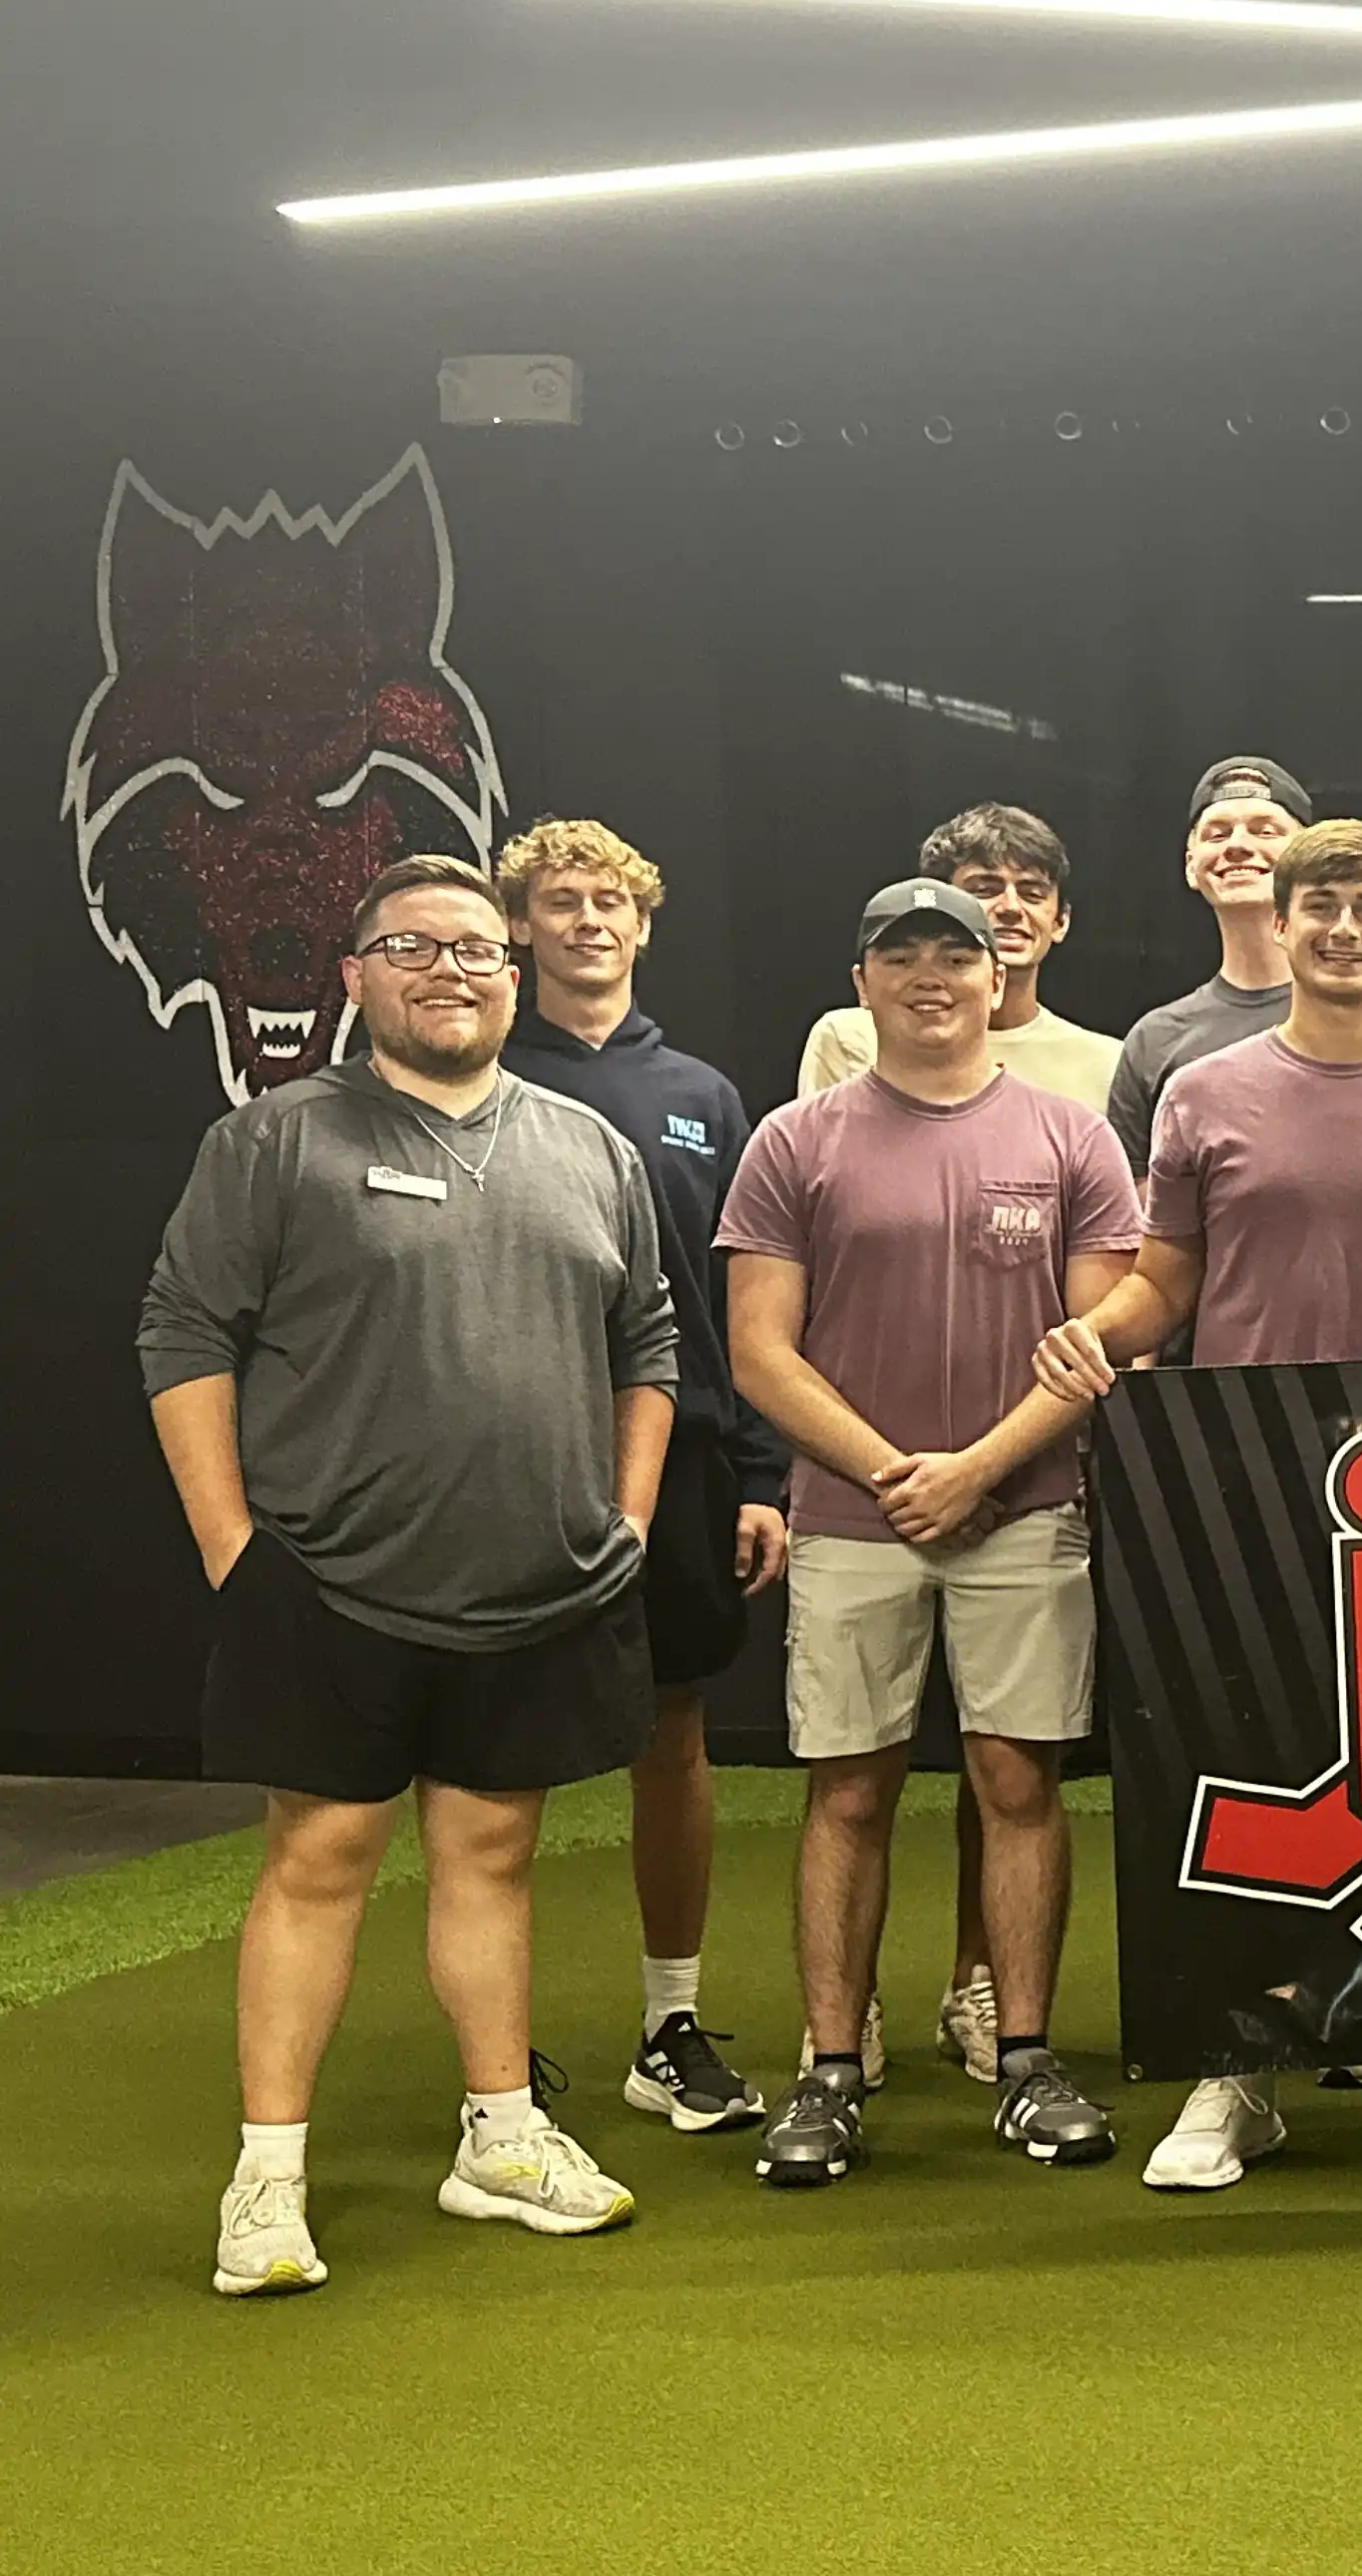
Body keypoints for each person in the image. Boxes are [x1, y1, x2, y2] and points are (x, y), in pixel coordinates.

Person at [145, 854, 671, 2296]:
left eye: (478, 951)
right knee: (318, 1864)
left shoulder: (587, 1146)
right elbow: (183, 1337)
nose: (454, 969)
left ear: (515, 976)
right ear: (356, 976)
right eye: (415, 947)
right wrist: (231, 1550)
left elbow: (652, 1348)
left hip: (540, 1585)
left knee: (492, 1859)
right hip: (327, 1583)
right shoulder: (275, 1141)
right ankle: (267, 2181)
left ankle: (499, 2142)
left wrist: (621, 1522)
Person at [1030, 820, 1362, 2193]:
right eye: (1321, 907)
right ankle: (1233, 2072)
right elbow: (1164, 1284)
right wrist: (1100, 1333)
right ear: (1289, 917)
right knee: (1242, 1757)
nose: (1342, 930)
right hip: (1239, 1481)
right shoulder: (1202, 1092)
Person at [721, 881, 1144, 2191]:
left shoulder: (1072, 1137)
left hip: (1023, 1511)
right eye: (900, 955)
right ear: (862, 981)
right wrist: (895, 1470)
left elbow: (1096, 1346)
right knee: (848, 1789)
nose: (930, 976)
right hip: (856, 1520)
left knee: (1017, 1783)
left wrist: (974, 1469)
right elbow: (756, 1351)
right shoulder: (796, 1142)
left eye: (954, 954)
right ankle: (831, 2073)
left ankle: (1025, 2061)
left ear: (996, 971)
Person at [493, 818, 793, 2136]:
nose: (588, 921)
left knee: (672, 1733)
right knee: (495, 1747)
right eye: (561, 901)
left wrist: (760, 1476)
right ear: (522, 927)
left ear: (644, 923)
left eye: (610, 900)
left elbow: (745, 1303)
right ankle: (495, 2064)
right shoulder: (474, 1075)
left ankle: (669, 2028)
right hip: (509, 1456)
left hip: (679, 1464)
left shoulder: (707, 1097)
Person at [1108, 758, 1362, 1175]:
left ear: (1308, 858)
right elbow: (1140, 1216)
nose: (1237, 846)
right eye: (1218, 833)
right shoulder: (1154, 1041)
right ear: (1191, 863)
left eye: (1265, 830)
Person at [796, 800, 1122, 1111]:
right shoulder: (849, 1037)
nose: (1010, 908)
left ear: (1061, 920)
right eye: (984, 889)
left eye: (1032, 893)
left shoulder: (1110, 1063)